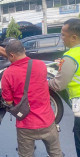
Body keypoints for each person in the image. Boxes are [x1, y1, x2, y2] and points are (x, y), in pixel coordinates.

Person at [0, 36, 63, 157]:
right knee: (56, 153)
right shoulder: (41, 65)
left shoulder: (8, 74)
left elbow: (8, 100)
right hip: (48, 122)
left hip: (25, 125)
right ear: (23, 50)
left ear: (11, 55)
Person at [49, 18, 80, 157]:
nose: (61, 38)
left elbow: (58, 84)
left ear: (74, 37)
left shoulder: (70, 56)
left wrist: (44, 83)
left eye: (63, 35)